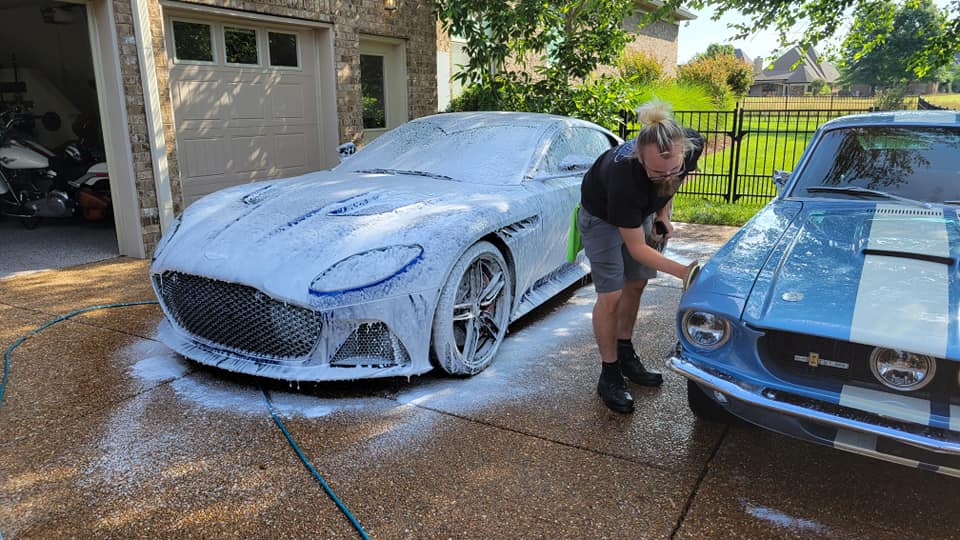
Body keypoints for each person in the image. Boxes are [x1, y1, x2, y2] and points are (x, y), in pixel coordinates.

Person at [578, 100, 704, 413]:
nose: (665, 175)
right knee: (611, 295)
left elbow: (672, 180)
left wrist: (662, 212)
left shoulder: (689, 145)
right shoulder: (625, 176)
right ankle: (609, 373)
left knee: (636, 284)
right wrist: (684, 272)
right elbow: (637, 248)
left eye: (672, 167)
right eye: (655, 171)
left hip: (639, 210)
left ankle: (625, 352)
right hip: (602, 217)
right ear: (639, 157)